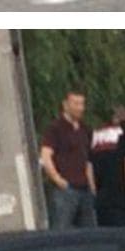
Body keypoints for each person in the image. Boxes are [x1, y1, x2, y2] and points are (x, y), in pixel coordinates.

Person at [40, 89, 97, 229]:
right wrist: (58, 180)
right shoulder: (55, 128)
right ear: (65, 105)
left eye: (82, 104)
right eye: (76, 103)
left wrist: (92, 186)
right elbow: (46, 156)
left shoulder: (86, 130)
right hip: (66, 189)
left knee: (90, 233)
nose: (80, 108)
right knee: (61, 230)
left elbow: (88, 161)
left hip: (84, 189)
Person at [90, 102, 125, 226]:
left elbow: (89, 166)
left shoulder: (98, 134)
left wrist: (94, 193)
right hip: (121, 203)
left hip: (101, 201)